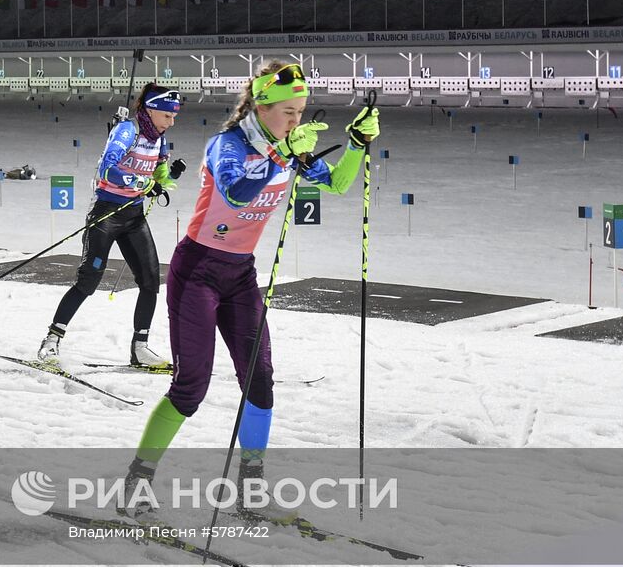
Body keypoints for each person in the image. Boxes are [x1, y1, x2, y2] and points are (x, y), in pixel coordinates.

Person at [119, 61, 379, 516]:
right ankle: (136, 482)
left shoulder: (289, 145)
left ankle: (250, 487)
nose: (297, 120)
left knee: (260, 382)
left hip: (240, 276)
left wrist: (356, 145)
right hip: (197, 271)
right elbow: (237, 191)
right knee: (190, 388)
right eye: (288, 112)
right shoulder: (228, 144)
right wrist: (282, 154)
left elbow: (337, 184)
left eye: (301, 111)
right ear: (260, 106)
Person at [36, 84, 184, 369]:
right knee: (88, 281)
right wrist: (142, 183)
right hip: (106, 214)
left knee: (151, 282)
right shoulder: (127, 131)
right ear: (150, 110)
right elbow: (108, 169)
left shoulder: (159, 138)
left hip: (133, 216)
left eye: (174, 116)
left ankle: (139, 349)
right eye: (167, 115)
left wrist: (166, 177)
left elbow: (157, 172)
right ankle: (51, 341)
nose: (171, 122)